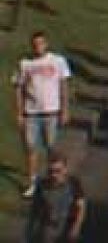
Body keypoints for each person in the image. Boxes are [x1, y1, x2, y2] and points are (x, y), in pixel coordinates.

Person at [14, 32, 71, 195]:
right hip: (31, 112)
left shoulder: (57, 61)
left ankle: (55, 178)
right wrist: (19, 113)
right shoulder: (25, 64)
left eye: (41, 43)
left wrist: (64, 109)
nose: (38, 47)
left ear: (46, 44)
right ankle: (32, 181)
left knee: (51, 147)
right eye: (35, 44)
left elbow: (63, 86)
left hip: (51, 112)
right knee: (31, 147)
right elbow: (19, 88)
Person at [25, 155, 85, 243]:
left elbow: (81, 207)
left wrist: (76, 228)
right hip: (46, 230)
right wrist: (29, 231)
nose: (54, 175)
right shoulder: (41, 185)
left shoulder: (73, 184)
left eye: (58, 171)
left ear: (65, 169)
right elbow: (34, 210)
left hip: (66, 230)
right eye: (50, 171)